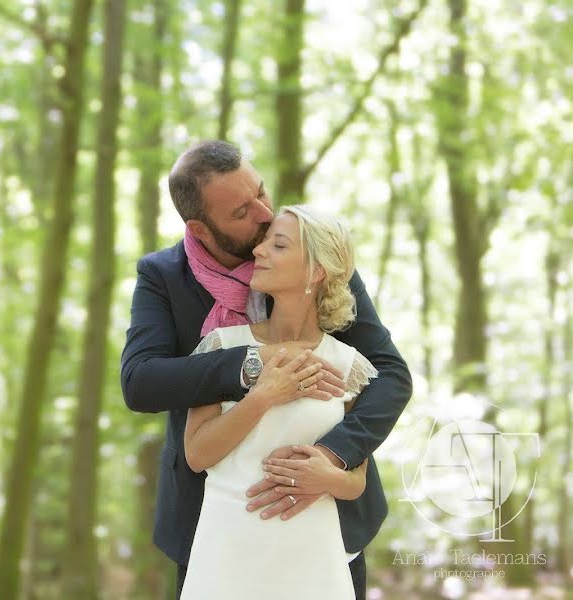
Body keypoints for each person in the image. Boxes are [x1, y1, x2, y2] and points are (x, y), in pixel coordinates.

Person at [120, 140, 412, 599]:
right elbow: (140, 382)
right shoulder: (163, 276)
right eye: (240, 212)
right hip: (212, 526)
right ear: (201, 227)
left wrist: (333, 457)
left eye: (261, 192)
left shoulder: (313, 256)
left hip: (326, 526)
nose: (262, 214)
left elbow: (390, 376)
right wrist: (253, 365)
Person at [181, 205, 377, 598]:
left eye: (279, 244)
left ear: (315, 271)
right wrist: (265, 395)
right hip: (227, 553)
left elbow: (357, 482)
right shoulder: (222, 346)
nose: (258, 250)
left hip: (312, 557)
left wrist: (327, 478)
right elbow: (197, 455)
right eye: (265, 241)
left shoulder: (349, 366)